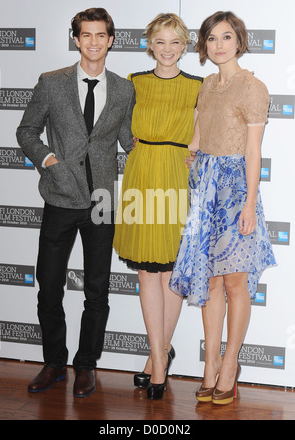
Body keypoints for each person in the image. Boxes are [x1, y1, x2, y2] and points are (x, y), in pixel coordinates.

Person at [16, 7, 135, 398]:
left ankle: (86, 364)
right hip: (60, 197)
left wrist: (169, 150)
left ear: (111, 39)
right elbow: (27, 130)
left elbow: (130, 141)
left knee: (97, 289)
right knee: (49, 285)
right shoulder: (51, 82)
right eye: (87, 35)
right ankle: (54, 362)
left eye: (101, 35)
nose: (94, 42)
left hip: (102, 198)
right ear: (76, 39)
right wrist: (48, 160)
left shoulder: (123, 88)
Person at [169, 11, 276, 405]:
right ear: (204, 45)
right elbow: (198, 135)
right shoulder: (208, 86)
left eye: (226, 37)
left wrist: (249, 203)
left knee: (235, 282)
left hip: (235, 189)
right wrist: (192, 153)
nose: (218, 45)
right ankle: (210, 365)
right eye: (211, 38)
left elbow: (253, 150)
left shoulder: (253, 87)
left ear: (239, 41)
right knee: (211, 281)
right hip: (206, 188)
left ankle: (231, 365)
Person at [113, 13, 203, 400]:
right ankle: (159, 354)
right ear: (149, 44)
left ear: (185, 46)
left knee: (172, 271)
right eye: (160, 42)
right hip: (141, 173)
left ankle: (157, 360)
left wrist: (197, 153)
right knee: (147, 272)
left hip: (178, 177)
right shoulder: (133, 83)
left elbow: (206, 133)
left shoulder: (200, 86)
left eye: (176, 42)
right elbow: (114, 127)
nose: (168, 50)